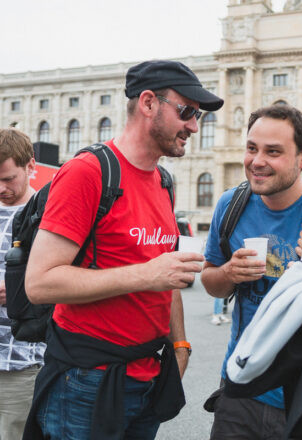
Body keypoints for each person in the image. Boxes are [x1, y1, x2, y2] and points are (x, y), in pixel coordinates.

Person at [24, 60, 223, 440]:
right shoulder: (89, 172)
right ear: (148, 103)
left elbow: (169, 274)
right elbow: (41, 283)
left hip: (148, 376)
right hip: (86, 382)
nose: (194, 126)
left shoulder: (163, 181)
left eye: (197, 116)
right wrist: (147, 274)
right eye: (187, 112)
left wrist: (180, 345)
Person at [201, 104, 302, 440]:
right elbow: (211, 283)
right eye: (251, 148)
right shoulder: (230, 205)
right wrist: (229, 272)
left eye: (273, 152)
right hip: (242, 386)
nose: (257, 161)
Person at [0, 128, 45, 440]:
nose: (0, 188)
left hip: (22, 363)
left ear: (31, 166)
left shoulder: (46, 215)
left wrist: (20, 290)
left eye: (8, 178)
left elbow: (67, 281)